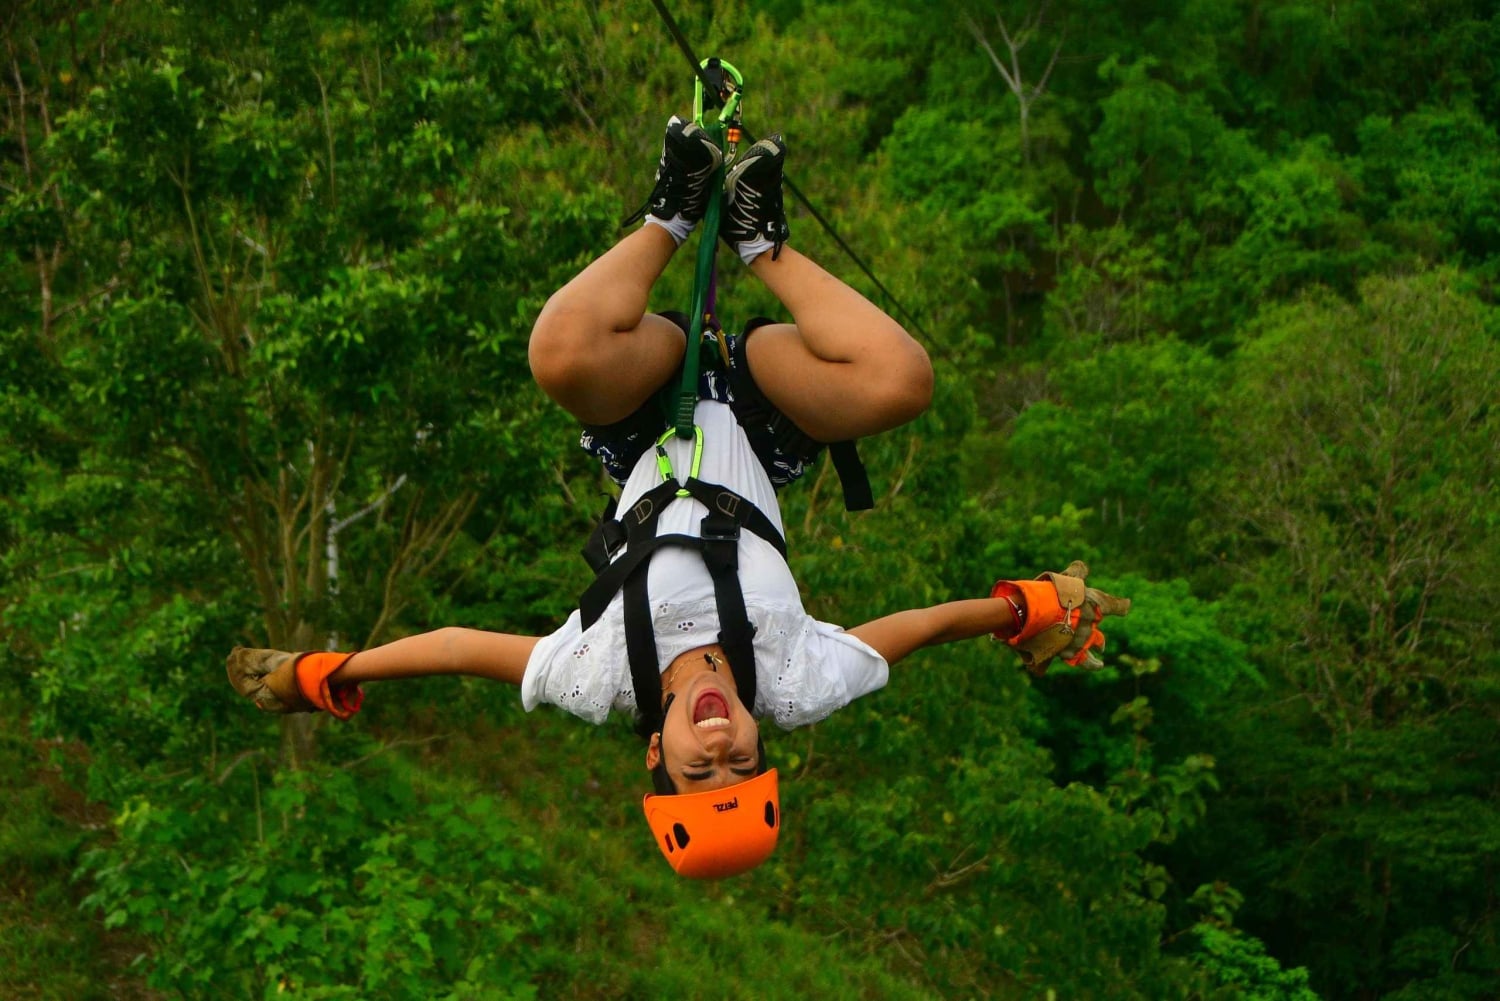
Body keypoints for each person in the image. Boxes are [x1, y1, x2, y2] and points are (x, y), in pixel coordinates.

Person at [227, 117, 1130, 878]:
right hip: (765, 415)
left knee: (559, 356)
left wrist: (333, 672)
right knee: (903, 381)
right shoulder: (797, 680)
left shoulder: (596, 676)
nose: (722, 749)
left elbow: (461, 648)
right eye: (742, 762)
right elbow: (921, 626)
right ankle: (755, 241)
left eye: (703, 773)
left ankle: (670, 212)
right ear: (758, 741)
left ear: (657, 754)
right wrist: (1019, 607)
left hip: (646, 416)